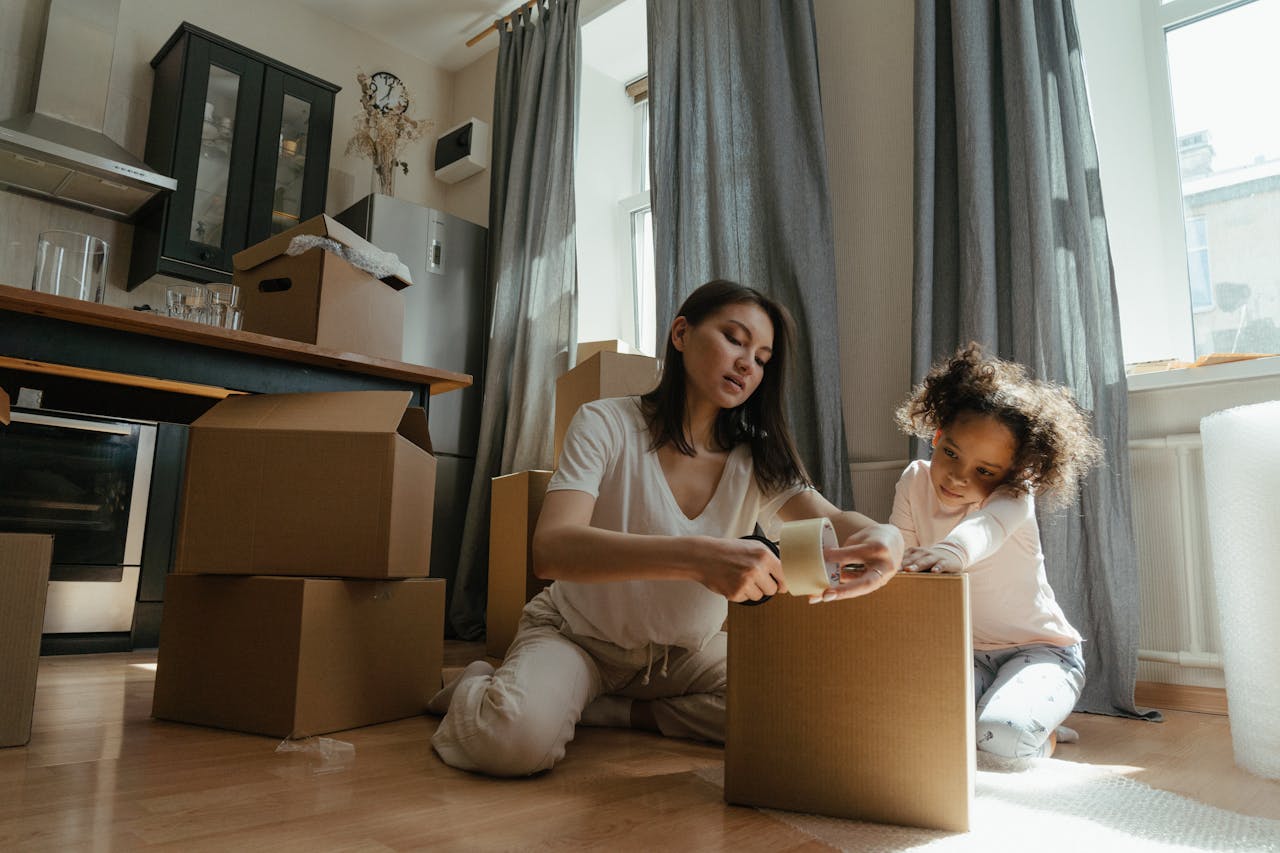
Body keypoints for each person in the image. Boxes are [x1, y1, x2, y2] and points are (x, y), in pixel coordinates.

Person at [429, 279, 904, 777]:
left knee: (807, 711)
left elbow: (832, 519)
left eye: (762, 358)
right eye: (735, 339)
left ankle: (613, 713)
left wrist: (886, 535)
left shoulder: (757, 455)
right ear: (681, 333)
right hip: (579, 638)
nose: (748, 363)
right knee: (511, 745)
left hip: (683, 656)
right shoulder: (605, 423)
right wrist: (699, 557)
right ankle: (478, 685)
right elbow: (552, 549)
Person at [890, 343, 1104, 759]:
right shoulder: (914, 481)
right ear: (936, 436)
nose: (956, 477)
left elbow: (985, 529)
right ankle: (1008, 710)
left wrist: (952, 551)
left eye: (984, 471)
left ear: (1011, 473)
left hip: (1040, 651)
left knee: (999, 740)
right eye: (950, 453)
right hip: (962, 650)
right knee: (913, 724)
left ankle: (1041, 730)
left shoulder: (1013, 496)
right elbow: (901, 553)